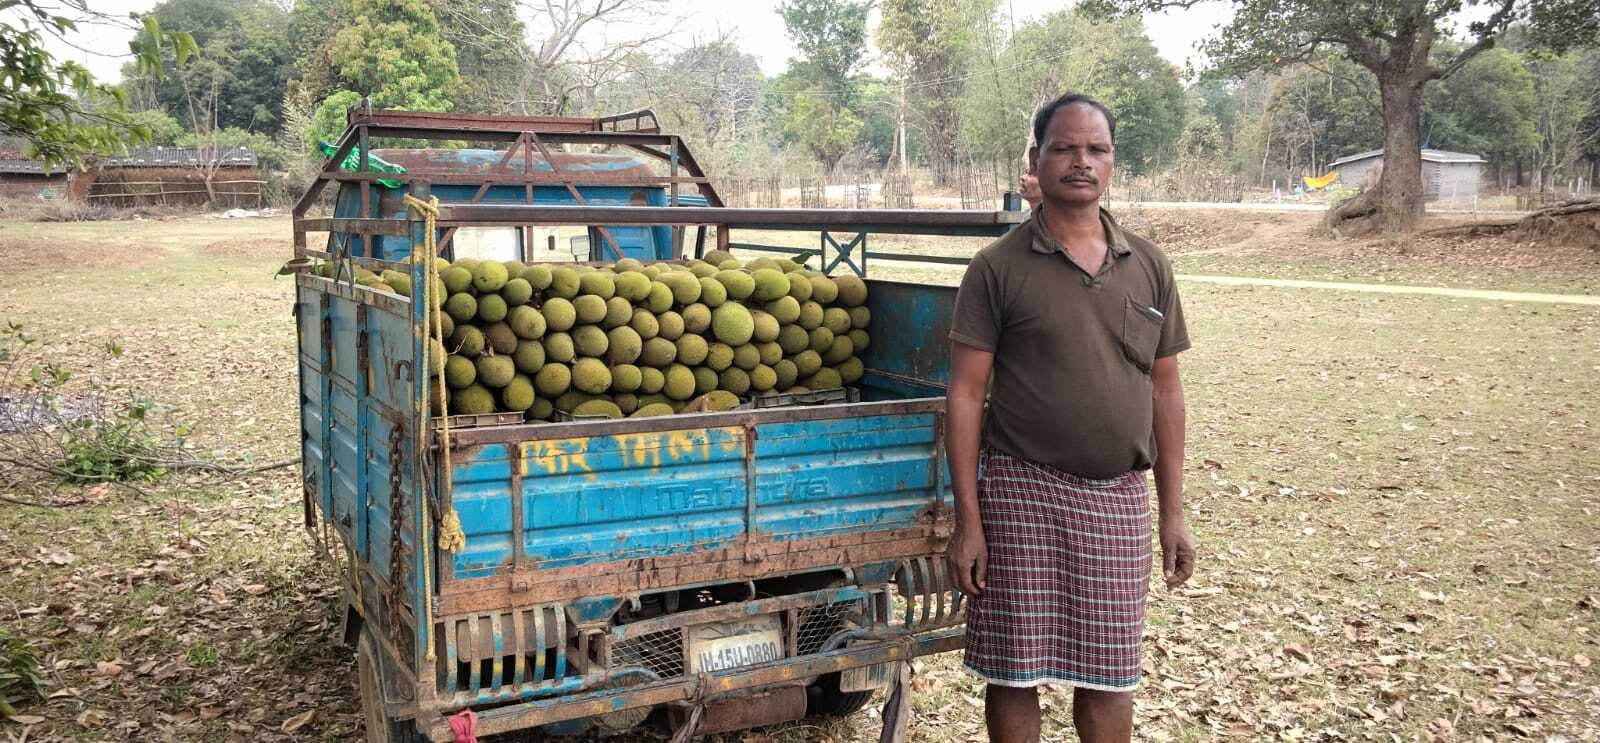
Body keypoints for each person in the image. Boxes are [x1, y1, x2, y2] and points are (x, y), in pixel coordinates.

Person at [946, 92, 1196, 743]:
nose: (1081, 161)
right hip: (1021, 494)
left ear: (1112, 162)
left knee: (1111, 675)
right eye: (1065, 147)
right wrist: (967, 521)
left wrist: (1172, 511)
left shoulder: (1148, 264)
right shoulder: (997, 268)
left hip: (1118, 497)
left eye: (1096, 149)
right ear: (1037, 158)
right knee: (1013, 670)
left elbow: (1166, 392)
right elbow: (966, 395)